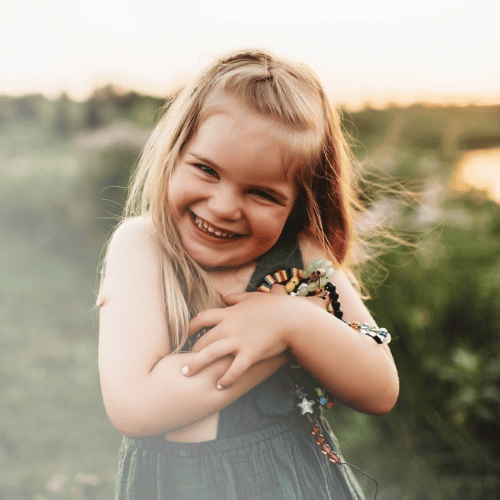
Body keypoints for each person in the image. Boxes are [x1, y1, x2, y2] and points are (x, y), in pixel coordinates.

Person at [97, 50, 399, 500]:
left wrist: (294, 322)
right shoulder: (144, 247)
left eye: (261, 193)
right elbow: (136, 406)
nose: (222, 207)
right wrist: (286, 342)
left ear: (298, 202)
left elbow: (379, 388)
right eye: (206, 170)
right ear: (173, 153)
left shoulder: (300, 256)